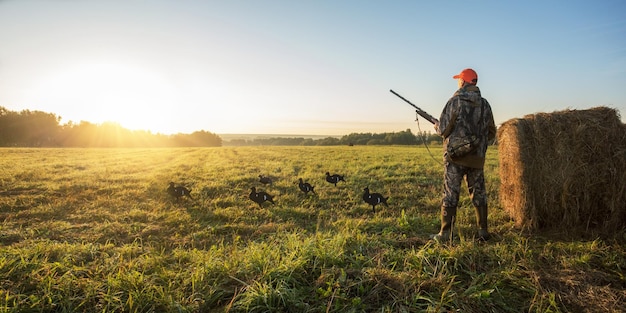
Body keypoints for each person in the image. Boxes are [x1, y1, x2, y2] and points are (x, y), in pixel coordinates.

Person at [432, 68, 497, 242]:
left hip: (455, 158)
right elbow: (492, 131)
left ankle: (445, 234)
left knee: (451, 193)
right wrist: (477, 144)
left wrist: (437, 125)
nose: (458, 82)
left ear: (463, 81)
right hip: (477, 158)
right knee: (479, 192)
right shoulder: (485, 104)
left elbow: (443, 130)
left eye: (459, 79)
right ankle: (483, 232)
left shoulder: (455, 101)